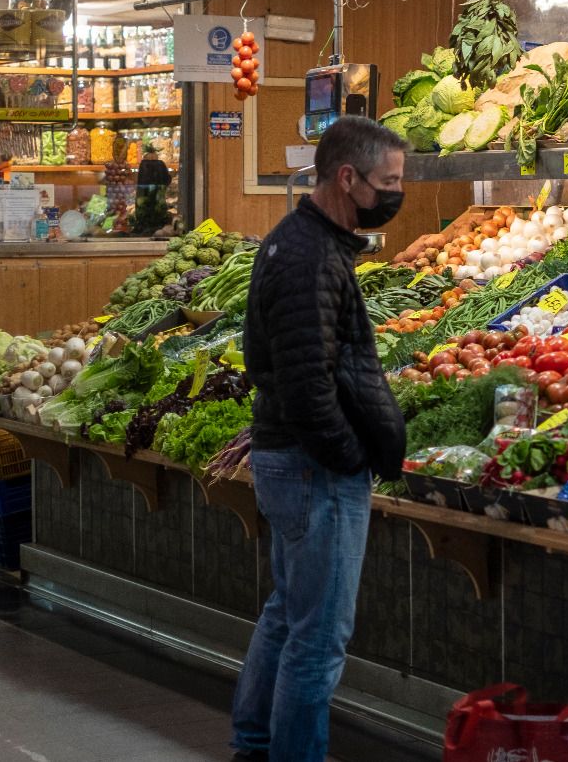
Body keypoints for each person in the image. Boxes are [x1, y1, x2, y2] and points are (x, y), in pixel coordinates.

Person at [231, 115, 408, 762]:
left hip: (292, 463)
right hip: (313, 469)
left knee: (287, 615)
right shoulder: (309, 258)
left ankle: (253, 745)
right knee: (319, 640)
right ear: (346, 177)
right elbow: (308, 388)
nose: (394, 193)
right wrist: (349, 456)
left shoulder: (306, 243)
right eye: (388, 182)